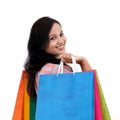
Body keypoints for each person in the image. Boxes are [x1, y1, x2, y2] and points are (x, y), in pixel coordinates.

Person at [24, 16, 92, 99]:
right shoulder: (56, 70)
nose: (61, 41)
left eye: (61, 34)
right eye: (53, 38)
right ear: (41, 44)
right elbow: (90, 94)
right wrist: (83, 61)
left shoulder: (39, 69)